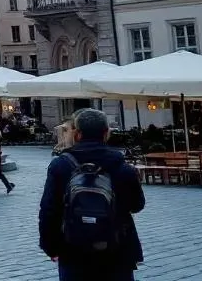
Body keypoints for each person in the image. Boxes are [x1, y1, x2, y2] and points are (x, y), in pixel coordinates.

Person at [39, 109, 145, 281]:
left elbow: (48, 211)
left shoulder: (61, 166)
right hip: (116, 249)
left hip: (73, 249)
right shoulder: (122, 167)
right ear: (106, 133)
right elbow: (137, 204)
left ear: (78, 133)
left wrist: (51, 247)